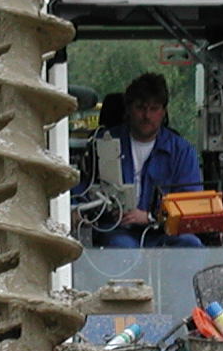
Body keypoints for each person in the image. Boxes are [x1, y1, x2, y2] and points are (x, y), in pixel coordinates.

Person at [80, 71, 203, 248]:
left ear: (164, 112)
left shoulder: (182, 151)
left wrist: (151, 217)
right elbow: (81, 190)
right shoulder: (101, 144)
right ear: (128, 109)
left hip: (165, 232)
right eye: (140, 107)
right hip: (117, 230)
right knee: (122, 249)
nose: (147, 116)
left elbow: (192, 205)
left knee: (190, 245)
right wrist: (80, 210)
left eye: (154, 109)